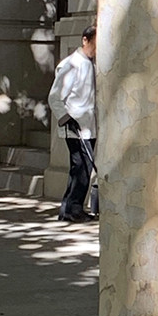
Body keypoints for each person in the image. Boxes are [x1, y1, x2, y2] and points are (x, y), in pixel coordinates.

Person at [48, 23, 98, 223]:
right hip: (75, 127)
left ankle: (70, 208)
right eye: (95, 44)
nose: (97, 49)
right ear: (85, 40)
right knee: (81, 167)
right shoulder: (71, 65)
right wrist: (67, 118)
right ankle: (72, 209)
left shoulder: (91, 64)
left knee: (82, 168)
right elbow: (54, 97)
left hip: (88, 125)